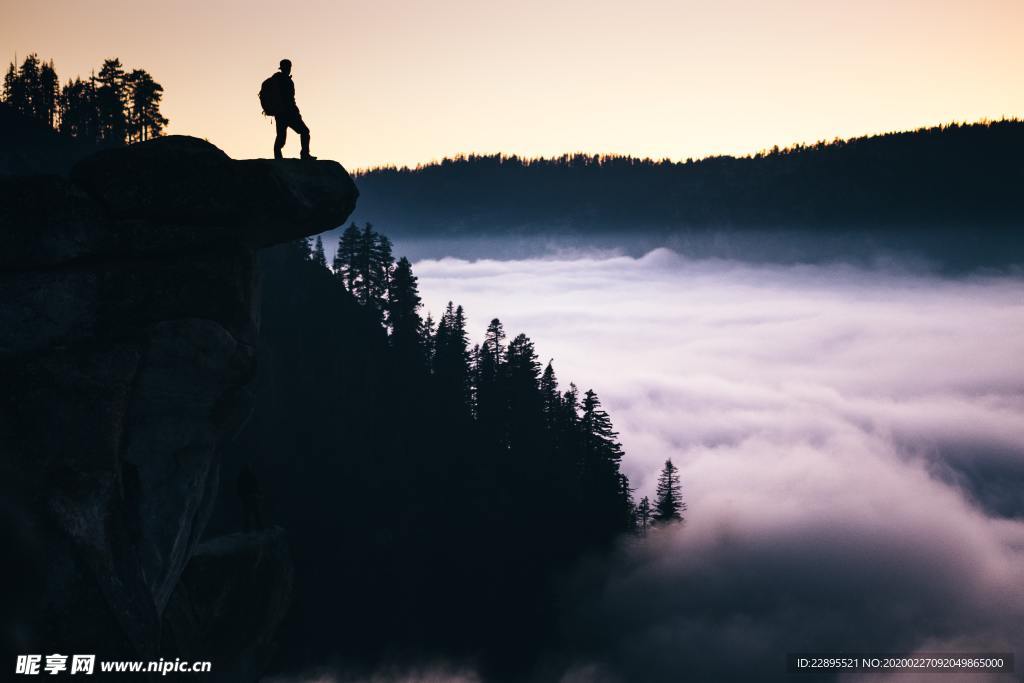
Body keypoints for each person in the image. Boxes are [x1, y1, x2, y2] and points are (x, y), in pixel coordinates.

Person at [270, 59, 315, 160]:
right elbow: (290, 100)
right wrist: (296, 112)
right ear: (288, 68)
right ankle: (304, 155)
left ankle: (278, 157)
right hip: (289, 114)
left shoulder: (276, 79)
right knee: (304, 131)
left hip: (280, 114)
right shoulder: (286, 81)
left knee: (281, 138)